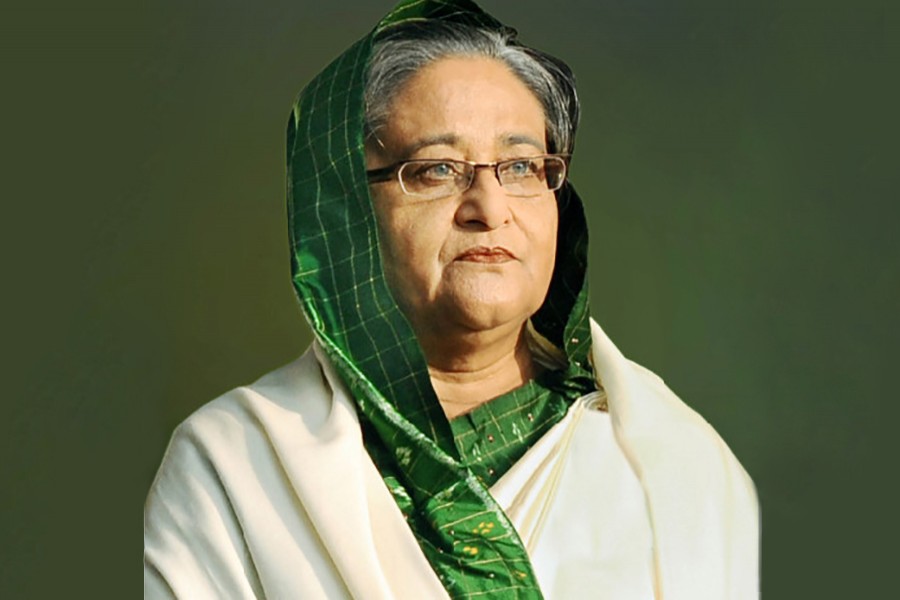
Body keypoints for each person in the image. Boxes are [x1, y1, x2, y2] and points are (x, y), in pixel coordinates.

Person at [143, 1, 759, 598]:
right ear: (344, 212)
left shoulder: (677, 470)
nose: (489, 209)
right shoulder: (237, 467)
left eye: (521, 167)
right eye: (437, 169)